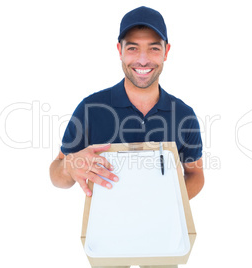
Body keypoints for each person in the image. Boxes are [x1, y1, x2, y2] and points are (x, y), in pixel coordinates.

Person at [49, 6, 205, 268]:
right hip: (105, 237)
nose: (143, 60)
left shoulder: (183, 114)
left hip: (163, 236)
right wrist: (69, 165)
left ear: (166, 52)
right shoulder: (91, 108)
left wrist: (157, 201)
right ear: (119, 50)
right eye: (132, 48)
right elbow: (57, 174)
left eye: (153, 48)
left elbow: (196, 175)